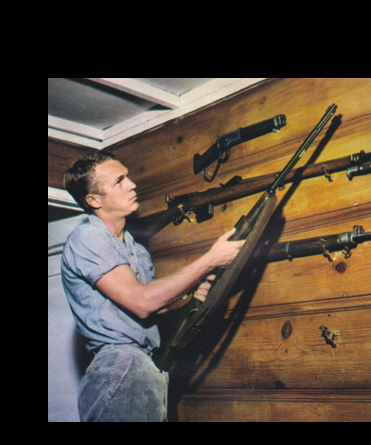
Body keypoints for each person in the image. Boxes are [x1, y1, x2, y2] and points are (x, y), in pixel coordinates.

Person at [60, 150, 245, 422]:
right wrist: (209, 261)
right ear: (94, 200)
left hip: (148, 367)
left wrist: (190, 298)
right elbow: (143, 302)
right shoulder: (88, 237)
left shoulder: (136, 250)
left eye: (128, 177)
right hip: (120, 367)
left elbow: (154, 310)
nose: (132, 184)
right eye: (119, 181)